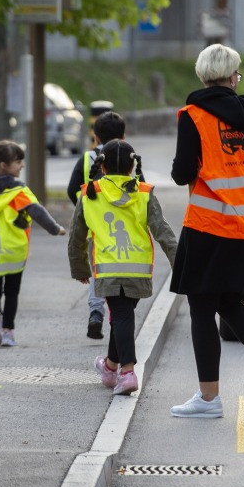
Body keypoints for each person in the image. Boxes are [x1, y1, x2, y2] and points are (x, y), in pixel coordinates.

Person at [168, 43, 244, 419]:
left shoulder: (193, 115)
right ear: (233, 76)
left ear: (203, 76)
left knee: (202, 308)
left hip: (210, 226)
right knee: (230, 301)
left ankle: (209, 399)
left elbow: (182, 174)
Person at [68, 139, 177, 396]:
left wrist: (80, 269)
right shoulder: (144, 192)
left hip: (108, 269)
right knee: (122, 316)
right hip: (138, 270)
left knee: (122, 317)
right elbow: (164, 233)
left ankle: (127, 372)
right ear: (132, 167)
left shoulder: (89, 193)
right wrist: (180, 264)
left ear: (102, 166)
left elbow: (77, 237)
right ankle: (110, 366)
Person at [0, 140, 66, 347]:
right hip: (15, 249)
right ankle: (8, 332)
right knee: (12, 292)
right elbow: (37, 211)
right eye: (18, 162)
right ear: (3, 166)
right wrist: (55, 229)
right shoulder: (17, 191)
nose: (22, 166)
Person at [65, 111, 138, 341]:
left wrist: (84, 209)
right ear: (123, 136)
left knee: (97, 270)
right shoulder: (129, 157)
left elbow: (71, 190)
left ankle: (96, 311)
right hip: (122, 224)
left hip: (94, 226)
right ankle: (115, 316)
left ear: (95, 137)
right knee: (117, 270)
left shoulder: (86, 159)